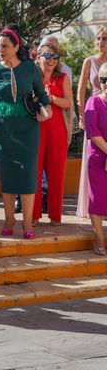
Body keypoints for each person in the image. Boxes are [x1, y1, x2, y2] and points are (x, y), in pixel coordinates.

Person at [0, 28, 51, 239]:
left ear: (16, 47)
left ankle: (27, 223)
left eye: (5, 46)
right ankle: (8, 219)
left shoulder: (31, 69)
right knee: (9, 174)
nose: (0, 50)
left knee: (29, 174)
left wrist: (44, 106)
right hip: (3, 129)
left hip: (28, 128)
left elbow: (41, 94)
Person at [33, 41, 72, 226]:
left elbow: (68, 103)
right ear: (38, 57)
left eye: (54, 57)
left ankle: (55, 215)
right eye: (46, 56)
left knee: (56, 173)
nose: (50, 60)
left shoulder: (63, 77)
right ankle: (33, 214)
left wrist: (52, 98)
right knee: (34, 171)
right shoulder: (32, 77)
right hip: (36, 128)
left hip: (57, 129)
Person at [77, 27, 107, 218]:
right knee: (94, 161)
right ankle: (94, 205)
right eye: (98, 38)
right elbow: (80, 90)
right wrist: (81, 116)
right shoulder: (89, 61)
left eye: (104, 38)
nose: (101, 41)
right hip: (94, 111)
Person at [83, 62, 107, 255]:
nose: (106, 83)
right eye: (104, 79)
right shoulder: (94, 102)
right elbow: (92, 131)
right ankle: (98, 237)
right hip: (99, 156)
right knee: (98, 198)